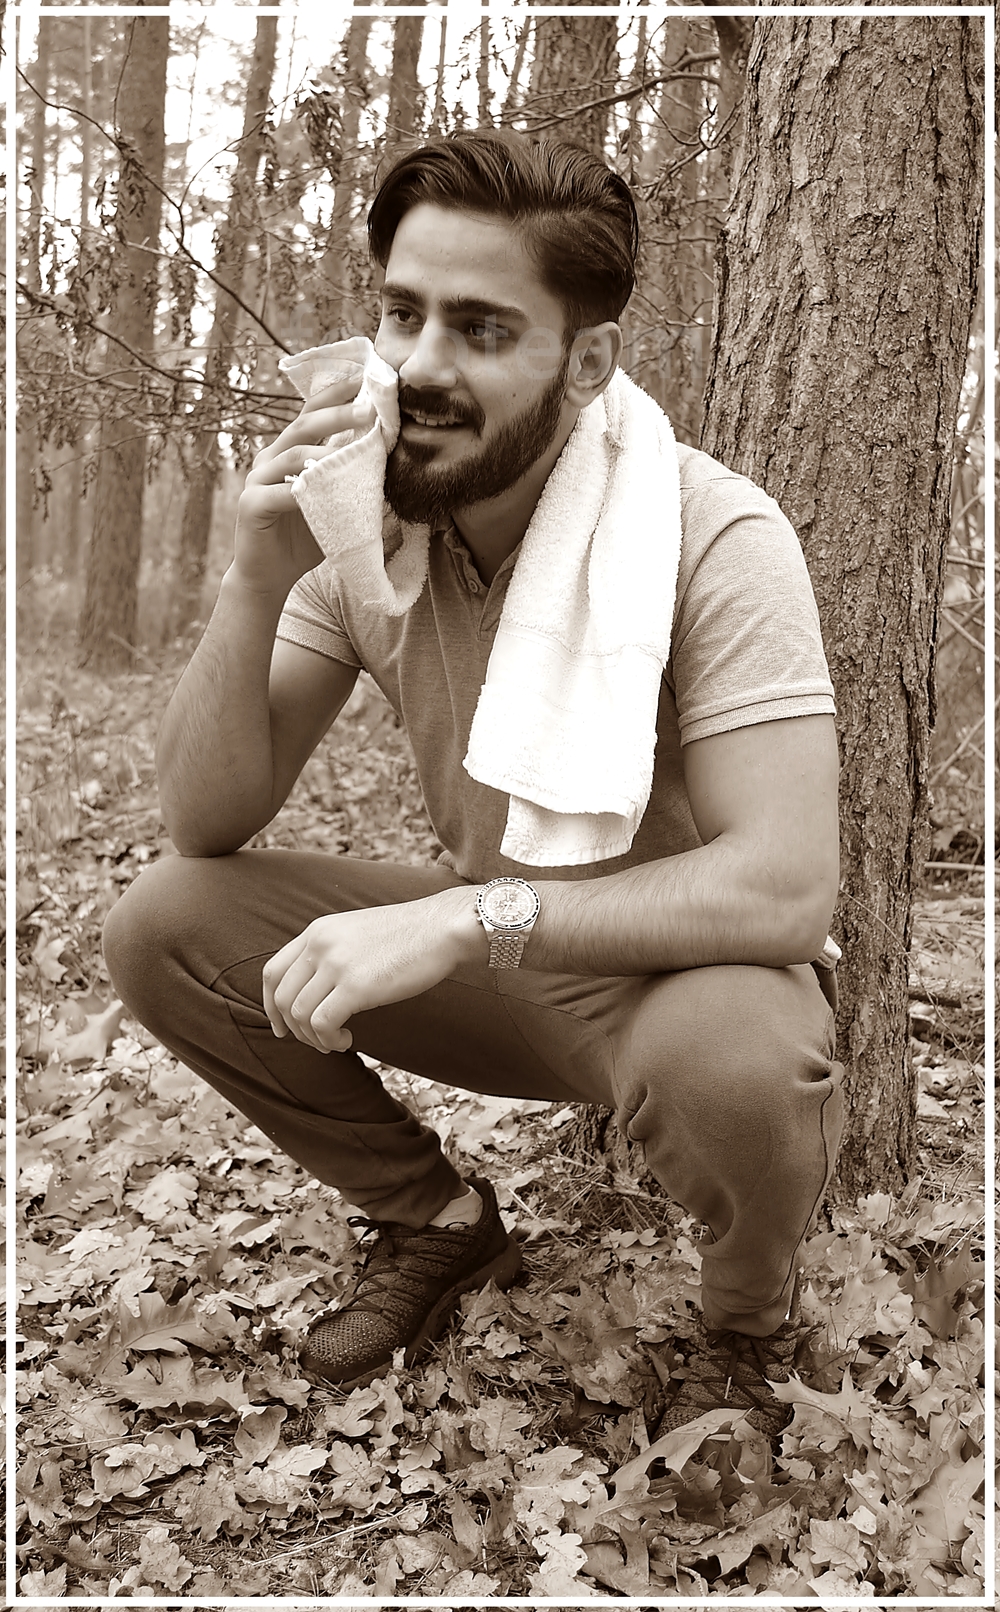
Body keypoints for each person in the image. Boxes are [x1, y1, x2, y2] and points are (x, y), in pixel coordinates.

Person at [104, 128, 844, 1440]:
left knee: (731, 1059)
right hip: (505, 979)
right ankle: (437, 1222)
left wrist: (464, 914)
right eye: (403, 315)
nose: (422, 367)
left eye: (483, 330)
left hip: (680, 985)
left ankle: (746, 1326)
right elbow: (206, 819)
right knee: (164, 921)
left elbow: (787, 888)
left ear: (587, 361)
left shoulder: (712, 535)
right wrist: (257, 573)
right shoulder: (367, 533)